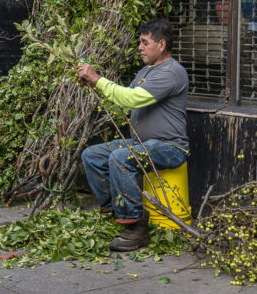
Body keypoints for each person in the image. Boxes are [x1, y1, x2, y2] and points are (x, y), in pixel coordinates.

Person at [77, 17, 189, 251]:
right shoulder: (147, 71)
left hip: (170, 147)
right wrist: (92, 83)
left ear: (161, 45)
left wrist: (97, 79)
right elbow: (126, 96)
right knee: (92, 156)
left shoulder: (171, 72)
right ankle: (118, 213)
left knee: (120, 158)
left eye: (144, 42)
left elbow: (131, 99)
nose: (139, 47)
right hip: (144, 143)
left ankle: (136, 227)